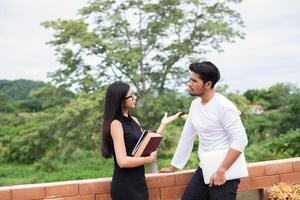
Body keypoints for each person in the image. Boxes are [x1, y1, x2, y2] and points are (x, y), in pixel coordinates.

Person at [160, 61, 248, 200]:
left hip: (225, 172)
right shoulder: (194, 105)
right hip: (205, 168)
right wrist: (173, 167)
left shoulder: (224, 106)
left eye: (194, 81)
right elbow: (186, 137)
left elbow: (241, 140)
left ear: (208, 84)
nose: (189, 83)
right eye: (190, 79)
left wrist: (221, 170)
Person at [102, 81, 181, 200]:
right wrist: (148, 159)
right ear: (120, 100)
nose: (134, 98)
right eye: (131, 95)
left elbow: (147, 144)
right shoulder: (116, 124)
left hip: (139, 183)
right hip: (125, 186)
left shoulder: (134, 120)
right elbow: (122, 161)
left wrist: (163, 125)